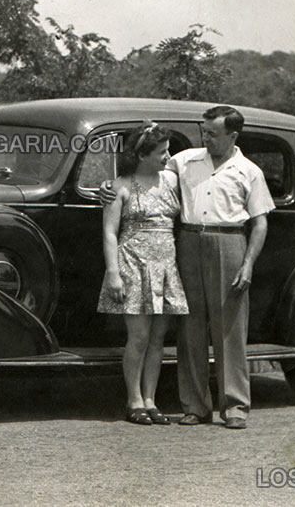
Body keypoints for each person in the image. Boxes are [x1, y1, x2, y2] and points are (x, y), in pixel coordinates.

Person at [101, 106, 274, 430]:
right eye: (204, 131)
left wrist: (248, 264)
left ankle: (235, 406)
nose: (204, 137)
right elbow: (143, 171)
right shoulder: (184, 161)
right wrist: (107, 188)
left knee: (230, 328)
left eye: (212, 133)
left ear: (232, 136)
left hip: (230, 242)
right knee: (190, 329)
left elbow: (260, 223)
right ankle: (195, 405)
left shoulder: (249, 171)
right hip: (188, 242)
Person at [97, 123, 188, 426]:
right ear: (142, 155)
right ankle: (133, 400)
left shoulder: (172, 181)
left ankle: (150, 400)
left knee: (158, 338)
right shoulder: (119, 186)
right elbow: (110, 233)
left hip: (165, 264)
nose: (168, 156)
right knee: (138, 337)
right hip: (132, 264)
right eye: (162, 152)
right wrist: (113, 272)